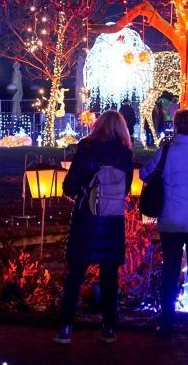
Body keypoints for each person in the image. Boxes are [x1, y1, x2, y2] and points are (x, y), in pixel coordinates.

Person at [55, 110, 134, 345]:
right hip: (112, 219)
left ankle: (65, 328)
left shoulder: (87, 148)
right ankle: (109, 327)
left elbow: (71, 184)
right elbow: (126, 186)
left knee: (76, 273)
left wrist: (80, 191)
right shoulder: (125, 153)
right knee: (110, 275)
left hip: (87, 218)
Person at [142, 109, 188, 337]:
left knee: (171, 270)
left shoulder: (167, 152)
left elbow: (146, 174)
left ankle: (167, 322)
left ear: (175, 127)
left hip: (173, 219)